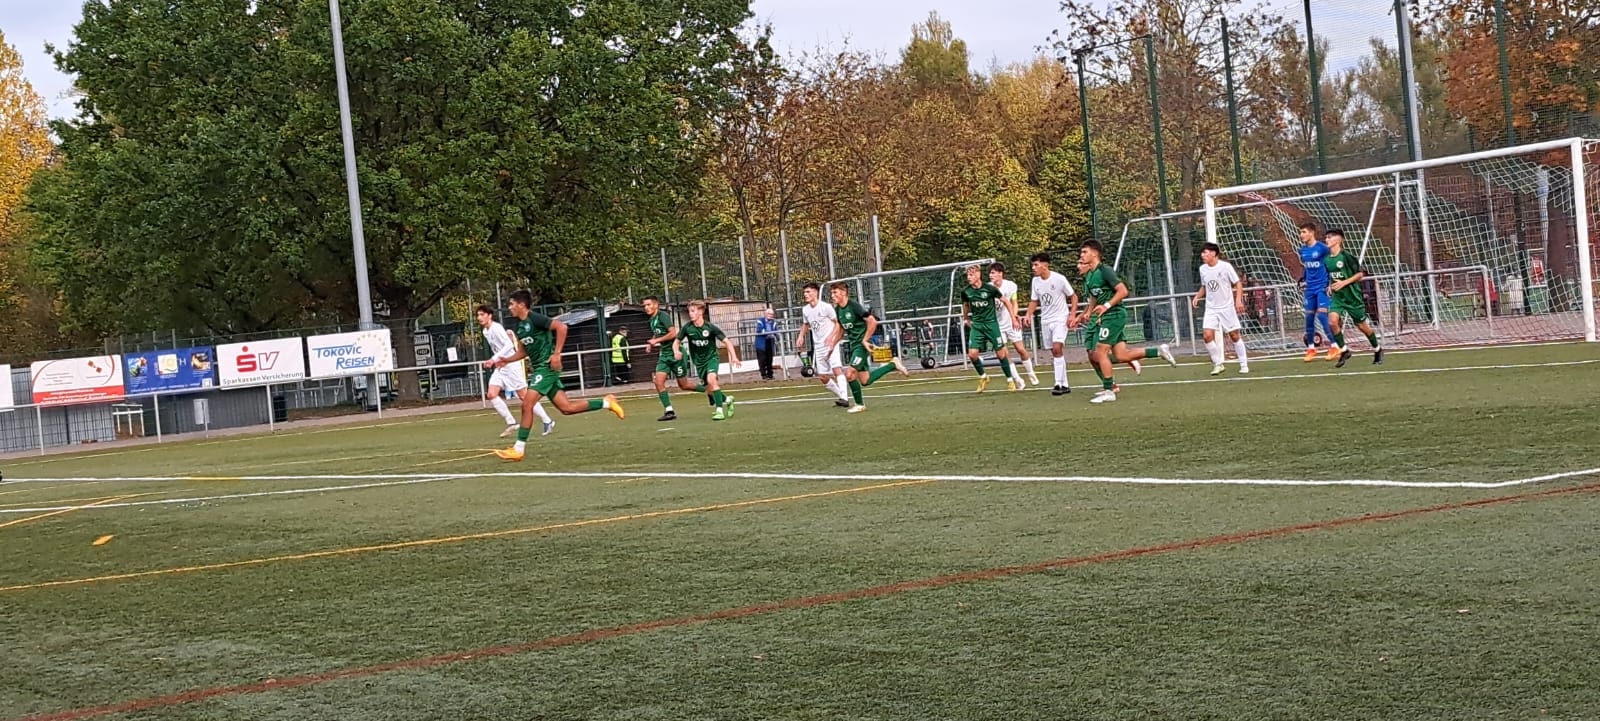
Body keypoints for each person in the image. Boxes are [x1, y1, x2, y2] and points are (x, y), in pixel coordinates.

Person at [488, 290, 624, 461]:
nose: (509, 307)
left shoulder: (535, 318)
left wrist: (557, 354)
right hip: (540, 369)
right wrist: (506, 360)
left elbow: (561, 327)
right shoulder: (521, 327)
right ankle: (607, 402)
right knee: (566, 408)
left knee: (527, 404)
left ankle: (518, 449)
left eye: (511, 304)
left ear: (521, 305)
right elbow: (523, 352)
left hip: (546, 367)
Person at [1075, 240, 1176, 404]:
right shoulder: (1091, 275)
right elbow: (1094, 296)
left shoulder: (1105, 270)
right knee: (1121, 355)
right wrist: (1087, 313)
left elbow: (1123, 291)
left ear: (1095, 253)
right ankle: (1158, 351)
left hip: (1114, 315)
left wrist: (1106, 306)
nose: (1082, 255)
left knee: (1100, 352)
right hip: (1107, 316)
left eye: (1085, 252)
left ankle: (1110, 390)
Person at [477, 305, 555, 437]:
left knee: (524, 396)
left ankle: (547, 420)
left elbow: (509, 345)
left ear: (489, 316)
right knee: (491, 394)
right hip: (502, 366)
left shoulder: (496, 328)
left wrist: (494, 359)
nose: (479, 318)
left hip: (511, 365)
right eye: (478, 315)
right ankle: (511, 422)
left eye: (482, 314)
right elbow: (498, 348)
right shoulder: (486, 331)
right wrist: (497, 360)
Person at [832, 281, 907, 412]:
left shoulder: (854, 306)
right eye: (831, 293)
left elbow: (872, 321)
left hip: (861, 347)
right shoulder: (838, 309)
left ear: (843, 292)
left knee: (849, 374)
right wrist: (832, 344)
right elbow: (842, 330)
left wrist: (865, 340)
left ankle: (859, 405)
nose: (832, 296)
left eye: (835, 292)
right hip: (854, 346)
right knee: (865, 380)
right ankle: (892, 365)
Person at [1324, 229, 1384, 367]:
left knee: (1362, 326)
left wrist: (1344, 283)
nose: (1327, 239)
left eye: (1330, 237)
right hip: (1338, 297)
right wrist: (1329, 286)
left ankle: (1377, 349)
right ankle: (1344, 350)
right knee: (1332, 322)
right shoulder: (1326, 259)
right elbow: (1331, 276)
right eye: (1326, 237)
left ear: (1339, 240)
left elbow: (1360, 275)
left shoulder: (1347, 257)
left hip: (1353, 297)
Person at [1021, 252, 1077, 396]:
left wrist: (1072, 314)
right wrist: (1028, 314)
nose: (1033, 268)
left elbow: (1073, 296)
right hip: (1046, 320)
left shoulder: (1059, 279)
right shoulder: (1035, 281)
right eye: (1032, 265)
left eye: (1036, 265)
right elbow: (1034, 300)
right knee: (1055, 352)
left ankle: (1057, 384)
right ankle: (1065, 384)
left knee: (1057, 348)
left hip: (1060, 318)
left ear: (1045, 265)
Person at [1190, 243, 1250, 376]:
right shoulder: (1203, 269)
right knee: (1207, 335)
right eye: (1202, 253)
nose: (1203, 255)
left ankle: (1243, 364)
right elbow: (1205, 286)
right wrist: (1197, 296)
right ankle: (1218, 364)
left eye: (1205, 252)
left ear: (1213, 253)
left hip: (1226, 307)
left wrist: (1238, 300)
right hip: (1211, 308)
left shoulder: (1225, 267)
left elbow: (1238, 283)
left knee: (1234, 335)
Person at [959, 264, 1018, 393]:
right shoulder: (966, 291)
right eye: (967, 275)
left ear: (978, 275)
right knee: (972, 354)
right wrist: (966, 318)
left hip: (991, 325)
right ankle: (983, 377)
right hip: (977, 326)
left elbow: (1006, 302)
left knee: (1001, 354)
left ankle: (1010, 380)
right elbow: (966, 305)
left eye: (971, 275)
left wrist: (1013, 318)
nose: (968, 277)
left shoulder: (990, 289)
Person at [680, 300, 740, 420]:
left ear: (701, 311)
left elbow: (727, 341)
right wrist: (676, 351)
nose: (690, 314)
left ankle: (719, 411)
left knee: (711, 379)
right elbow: (676, 341)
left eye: (693, 311)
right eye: (689, 311)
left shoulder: (710, 327)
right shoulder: (687, 328)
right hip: (699, 362)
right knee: (710, 389)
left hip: (712, 358)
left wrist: (734, 356)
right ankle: (728, 400)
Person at [644, 296, 698, 422]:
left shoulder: (663, 316)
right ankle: (669, 411)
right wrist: (651, 342)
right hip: (664, 355)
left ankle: (710, 391)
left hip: (675, 353)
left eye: (648, 304)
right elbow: (658, 332)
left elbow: (673, 333)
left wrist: (656, 340)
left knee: (684, 385)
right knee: (658, 381)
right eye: (645, 305)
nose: (646, 307)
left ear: (656, 305)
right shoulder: (652, 320)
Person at [797, 283, 852, 408]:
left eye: (808, 292)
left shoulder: (826, 307)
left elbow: (837, 322)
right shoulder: (805, 309)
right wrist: (801, 336)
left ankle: (844, 397)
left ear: (815, 292)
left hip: (830, 343)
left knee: (836, 369)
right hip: (818, 346)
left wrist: (831, 336)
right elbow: (806, 324)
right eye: (804, 292)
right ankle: (841, 396)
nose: (805, 294)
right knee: (822, 376)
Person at [989, 262, 1040, 388]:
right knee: (1003, 353)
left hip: (1011, 322)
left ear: (1000, 273)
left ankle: (1031, 373)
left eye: (993, 273)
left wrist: (1014, 316)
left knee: (1020, 349)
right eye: (990, 273)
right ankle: (1017, 379)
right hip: (997, 325)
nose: (991, 275)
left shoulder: (1010, 285)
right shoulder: (988, 288)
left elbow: (1014, 302)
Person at [1297, 222, 1337, 362]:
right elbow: (1307, 268)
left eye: (1304, 232)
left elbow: (1330, 264)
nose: (1301, 235)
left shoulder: (1322, 248)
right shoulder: (1302, 251)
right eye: (1301, 232)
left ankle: (1334, 346)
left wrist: (1331, 283)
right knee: (1309, 317)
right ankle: (1311, 348)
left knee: (1321, 314)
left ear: (1311, 233)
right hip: (1310, 288)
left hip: (1322, 287)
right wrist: (1304, 279)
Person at [754, 308, 779, 380]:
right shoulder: (760, 320)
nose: (770, 315)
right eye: (769, 314)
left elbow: (776, 331)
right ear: (765, 314)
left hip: (769, 342)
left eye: (772, 314)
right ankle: (763, 375)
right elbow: (760, 330)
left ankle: (770, 374)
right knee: (762, 360)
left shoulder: (773, 322)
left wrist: (777, 337)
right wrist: (769, 333)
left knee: (769, 359)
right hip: (761, 343)